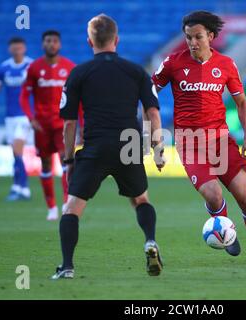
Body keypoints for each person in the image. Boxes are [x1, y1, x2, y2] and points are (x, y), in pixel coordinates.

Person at [152, 11, 246, 264]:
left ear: (210, 36)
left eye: (198, 36)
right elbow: (149, 92)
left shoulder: (226, 64)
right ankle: (226, 233)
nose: (192, 42)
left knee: (245, 196)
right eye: (188, 37)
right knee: (213, 195)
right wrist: (155, 138)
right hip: (189, 142)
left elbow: (242, 102)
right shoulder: (172, 63)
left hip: (221, 140)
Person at [51, 14, 165, 280]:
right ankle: (150, 241)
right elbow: (153, 113)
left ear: (89, 40)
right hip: (129, 144)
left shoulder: (79, 73)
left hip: (95, 147)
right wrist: (158, 150)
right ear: (117, 39)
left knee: (72, 209)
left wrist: (69, 160)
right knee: (140, 199)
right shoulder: (137, 71)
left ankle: (67, 266)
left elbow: (69, 124)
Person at [20, 30, 77, 221]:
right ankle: (51, 207)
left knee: (66, 162)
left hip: (63, 123)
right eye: (47, 41)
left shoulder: (69, 67)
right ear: (43, 44)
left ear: (59, 45)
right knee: (45, 165)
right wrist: (31, 118)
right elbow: (24, 96)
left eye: (54, 41)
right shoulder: (34, 68)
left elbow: (80, 99)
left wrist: (82, 123)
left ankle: (66, 203)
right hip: (42, 125)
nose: (51, 44)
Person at [0, 37, 33, 201]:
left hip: (25, 116)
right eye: (14, 48)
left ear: (24, 48)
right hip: (10, 117)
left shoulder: (31, 66)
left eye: (19, 47)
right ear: (10, 49)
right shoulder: (4, 68)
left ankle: (22, 188)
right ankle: (19, 187)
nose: (17, 50)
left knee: (18, 150)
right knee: (15, 153)